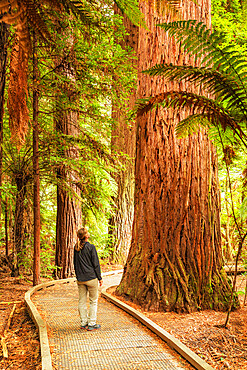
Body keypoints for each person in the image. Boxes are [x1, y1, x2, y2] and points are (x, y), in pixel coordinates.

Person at [73, 227, 103, 331]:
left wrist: (78, 276)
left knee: (81, 300)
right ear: (86, 236)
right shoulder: (91, 247)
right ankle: (92, 323)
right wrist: (100, 278)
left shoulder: (76, 248)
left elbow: (75, 264)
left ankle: (83, 322)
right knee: (93, 301)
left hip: (81, 279)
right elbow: (96, 264)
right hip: (91, 278)